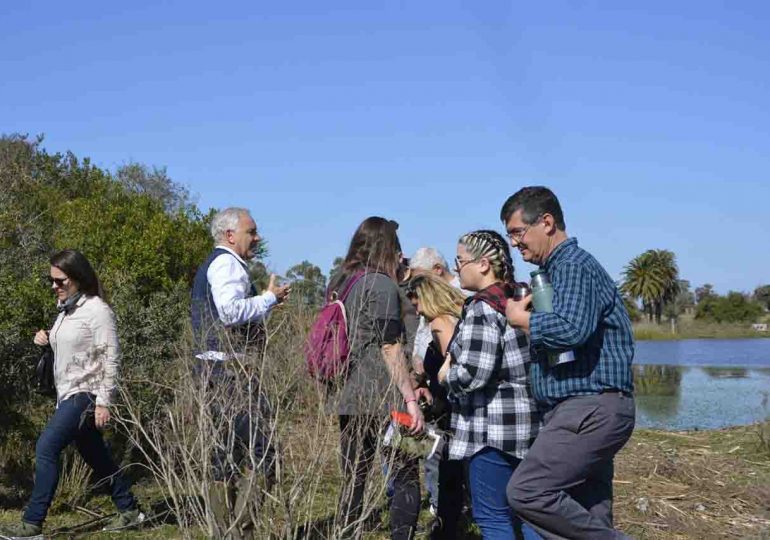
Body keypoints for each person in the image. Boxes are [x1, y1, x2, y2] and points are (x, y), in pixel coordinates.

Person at [501, 187, 636, 539]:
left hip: (588, 408)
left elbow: (571, 330)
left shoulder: (573, 265)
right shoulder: (555, 271)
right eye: (510, 235)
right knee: (590, 516)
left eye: (517, 232)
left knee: (527, 491)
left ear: (546, 223)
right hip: (584, 410)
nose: (515, 243)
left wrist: (523, 320)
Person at [0, 250, 143, 539]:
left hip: (86, 394)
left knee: (46, 448)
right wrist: (46, 339)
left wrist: (104, 401)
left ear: (77, 277)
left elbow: (110, 357)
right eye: (51, 281)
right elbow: (70, 346)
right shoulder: (66, 309)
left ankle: (32, 523)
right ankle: (129, 510)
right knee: (97, 456)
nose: (55, 286)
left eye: (60, 281)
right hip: (67, 395)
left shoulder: (98, 310)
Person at [190, 207, 290, 531]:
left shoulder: (218, 263)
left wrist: (267, 302)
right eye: (252, 231)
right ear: (231, 235)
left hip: (214, 371)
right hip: (230, 373)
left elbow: (234, 320)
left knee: (223, 457)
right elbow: (231, 313)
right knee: (264, 454)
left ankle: (225, 531)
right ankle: (240, 529)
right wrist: (268, 300)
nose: (257, 237)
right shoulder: (226, 263)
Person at [437, 231, 541, 540]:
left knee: (493, 517)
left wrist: (446, 378)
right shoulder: (518, 298)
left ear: (483, 264)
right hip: (528, 424)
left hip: (491, 432)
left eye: (460, 260)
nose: (456, 268)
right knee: (529, 514)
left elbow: (474, 373)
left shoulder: (484, 307)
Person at [328, 216, 424, 540]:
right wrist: (411, 399)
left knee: (354, 479)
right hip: (384, 397)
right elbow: (390, 346)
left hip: (348, 396)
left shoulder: (340, 282)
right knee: (407, 474)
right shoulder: (381, 285)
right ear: (387, 247)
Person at [405, 274, 467, 539]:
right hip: (446, 408)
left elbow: (453, 363)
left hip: (452, 413)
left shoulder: (440, 324)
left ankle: (447, 530)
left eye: (417, 303)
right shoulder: (446, 321)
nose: (417, 310)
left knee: (450, 476)